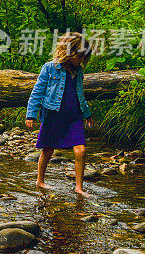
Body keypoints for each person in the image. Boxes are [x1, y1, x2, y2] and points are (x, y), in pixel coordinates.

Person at [25, 32, 95, 196]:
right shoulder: (50, 68)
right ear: (68, 52)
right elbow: (37, 92)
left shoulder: (78, 71)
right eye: (79, 56)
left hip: (73, 116)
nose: (80, 60)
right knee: (48, 150)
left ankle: (79, 187)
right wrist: (31, 114)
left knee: (80, 150)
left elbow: (80, 93)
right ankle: (40, 181)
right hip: (53, 114)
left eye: (83, 58)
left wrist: (87, 113)